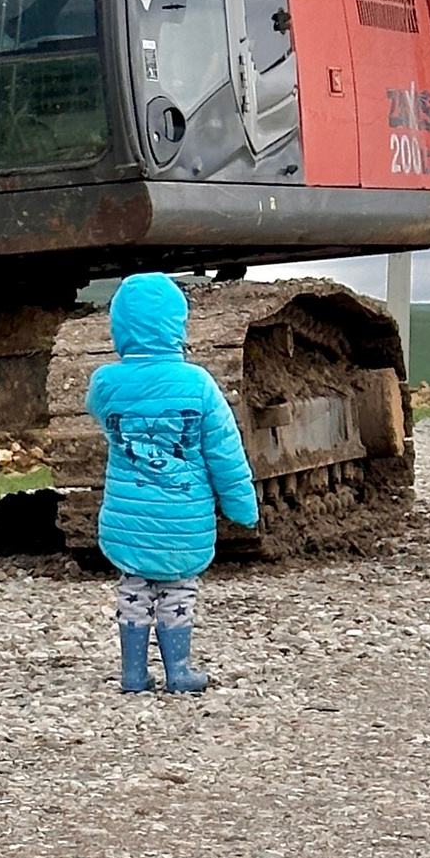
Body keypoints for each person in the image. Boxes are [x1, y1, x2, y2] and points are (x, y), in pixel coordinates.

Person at [86, 272, 260, 693]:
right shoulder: (197, 384)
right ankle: (178, 671)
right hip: (185, 514)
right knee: (179, 588)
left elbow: (96, 410)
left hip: (128, 514)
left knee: (133, 585)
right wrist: (241, 506)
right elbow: (224, 451)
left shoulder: (106, 383)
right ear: (177, 325)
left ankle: (132, 672)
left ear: (120, 328)